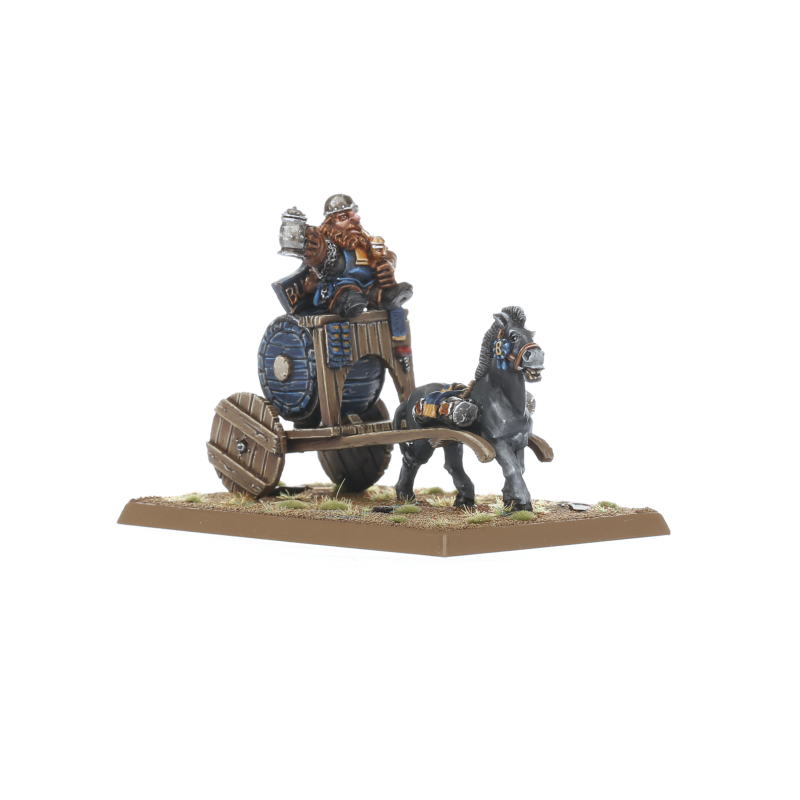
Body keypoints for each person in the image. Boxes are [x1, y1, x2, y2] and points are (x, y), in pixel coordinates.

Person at [273, 194, 413, 317]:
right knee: (350, 297)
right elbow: (318, 253)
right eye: (344, 216)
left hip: (371, 287)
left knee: (389, 291)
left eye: (354, 214)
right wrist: (311, 247)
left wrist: (387, 264)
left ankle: (387, 298)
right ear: (331, 223)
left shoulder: (366, 241)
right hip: (343, 287)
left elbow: (388, 255)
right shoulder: (328, 245)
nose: (356, 219)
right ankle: (349, 304)